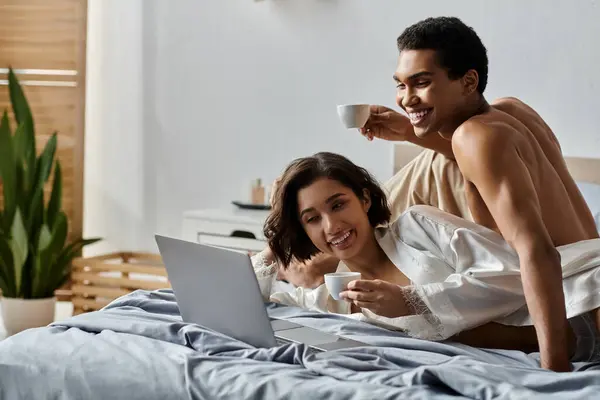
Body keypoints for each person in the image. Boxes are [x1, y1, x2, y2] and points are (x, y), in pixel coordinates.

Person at [351, 16, 599, 372]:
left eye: (421, 83)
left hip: (579, 308)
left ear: (469, 80)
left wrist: (553, 366)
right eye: (401, 85)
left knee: (414, 320)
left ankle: (303, 258)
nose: (407, 98)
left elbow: (537, 250)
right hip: (589, 280)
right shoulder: (512, 111)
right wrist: (411, 131)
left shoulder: (474, 138)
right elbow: (467, 151)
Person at [252, 152, 600, 369]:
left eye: (338, 204)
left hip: (584, 300)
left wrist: (412, 300)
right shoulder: (338, 295)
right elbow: (257, 299)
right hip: (575, 351)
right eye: (312, 219)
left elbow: (514, 274)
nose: (332, 226)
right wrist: (276, 239)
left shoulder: (418, 225)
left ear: (365, 199)